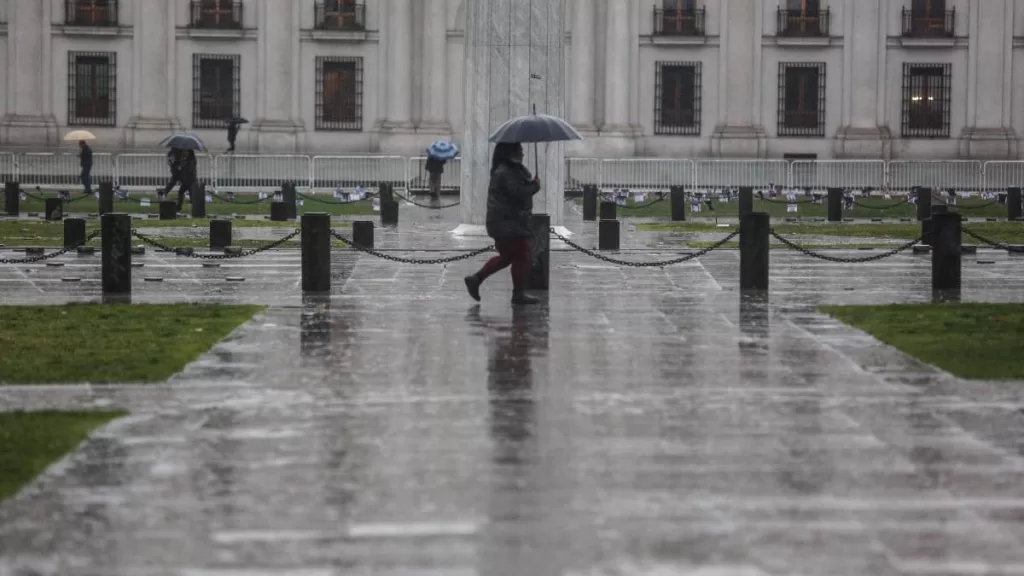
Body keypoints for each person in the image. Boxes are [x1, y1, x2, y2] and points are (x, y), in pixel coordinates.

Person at [464, 142, 541, 306]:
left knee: (507, 257)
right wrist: (534, 187)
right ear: (511, 152)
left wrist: (531, 184)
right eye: (520, 150)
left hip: (507, 223)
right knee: (521, 255)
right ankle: (518, 294)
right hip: (507, 224)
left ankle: (476, 279)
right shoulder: (506, 172)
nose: (523, 154)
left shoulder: (511, 170)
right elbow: (517, 194)